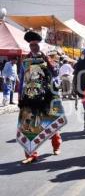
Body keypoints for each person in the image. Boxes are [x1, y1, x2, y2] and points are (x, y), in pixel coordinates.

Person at [17, 31, 67, 164]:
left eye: (36, 44)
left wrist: (48, 60)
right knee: (29, 126)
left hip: (48, 95)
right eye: (31, 45)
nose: (34, 47)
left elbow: (56, 72)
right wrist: (19, 96)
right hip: (30, 96)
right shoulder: (25, 61)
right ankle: (31, 154)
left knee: (51, 121)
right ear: (29, 46)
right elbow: (22, 79)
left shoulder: (47, 58)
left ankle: (56, 145)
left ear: (39, 45)